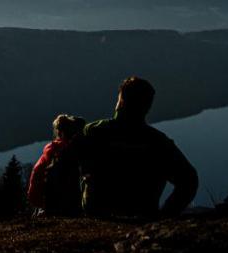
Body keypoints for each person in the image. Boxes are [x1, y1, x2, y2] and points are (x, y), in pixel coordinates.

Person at [76, 77, 198, 220]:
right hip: (144, 213)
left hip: (99, 213)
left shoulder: (93, 131)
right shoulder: (159, 142)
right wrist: (166, 214)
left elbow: (72, 165)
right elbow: (189, 180)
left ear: (120, 102)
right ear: (147, 107)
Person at [27, 114, 85, 216]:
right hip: (57, 201)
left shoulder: (51, 148)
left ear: (58, 132)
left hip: (40, 199)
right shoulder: (70, 150)